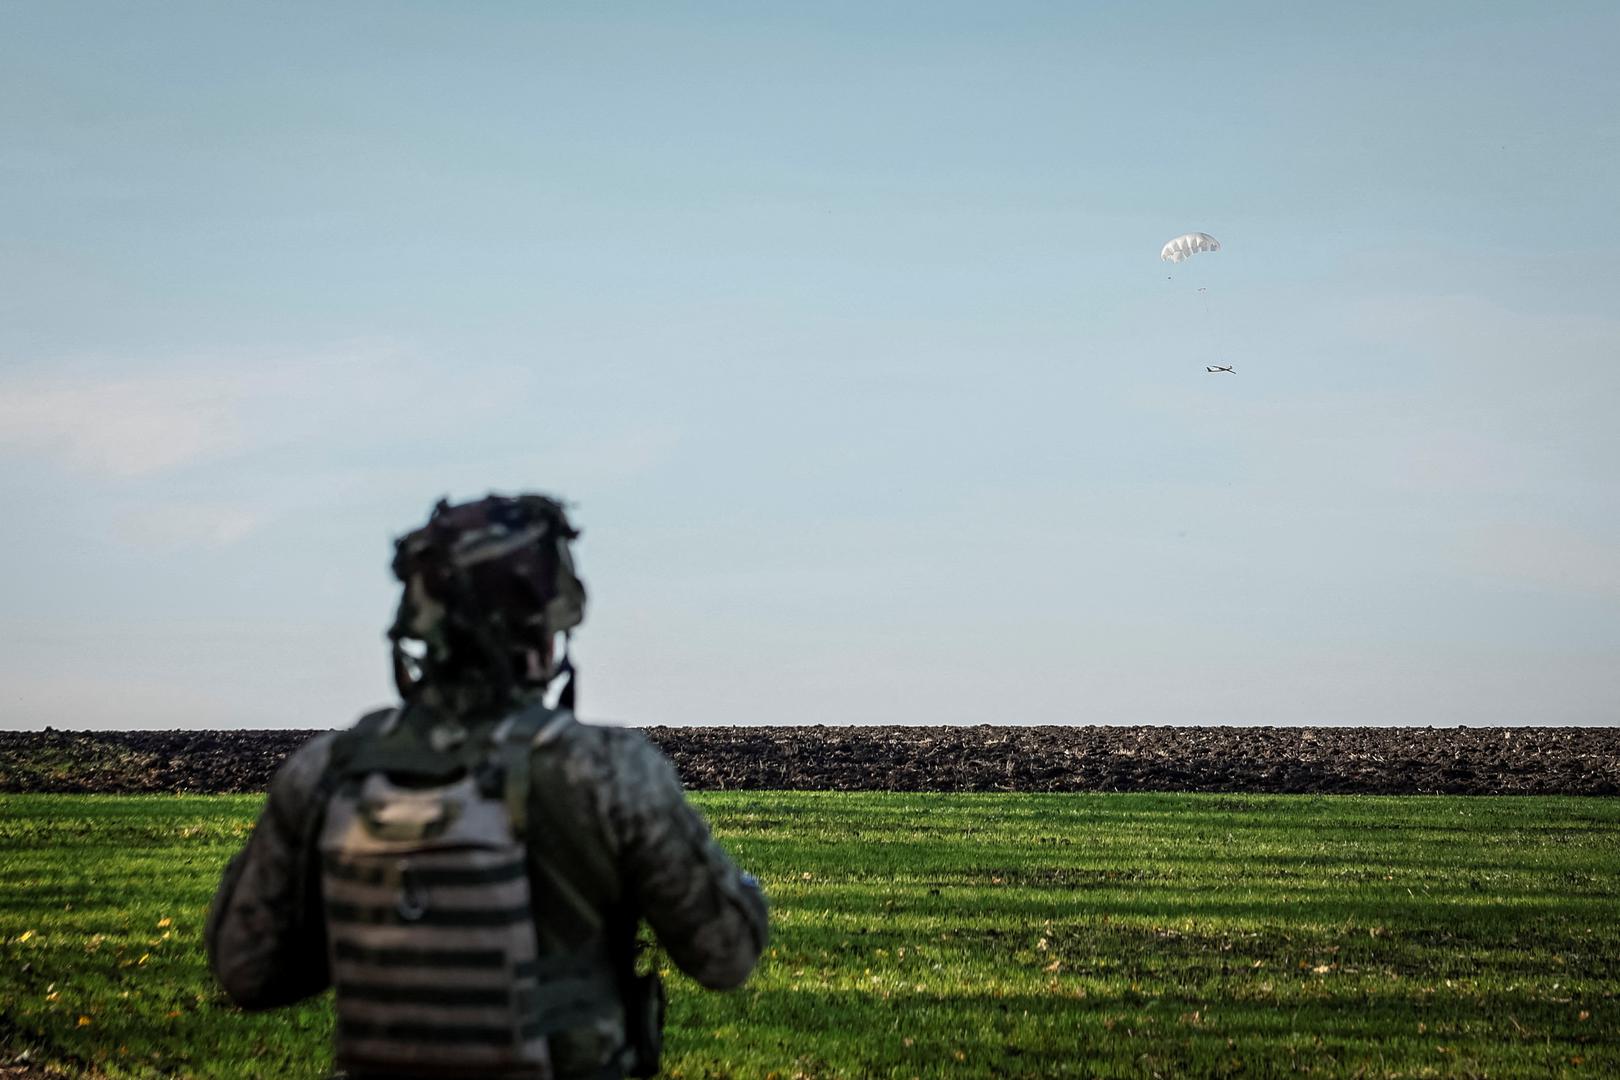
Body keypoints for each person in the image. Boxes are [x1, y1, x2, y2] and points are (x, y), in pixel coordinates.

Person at [206, 493, 768, 1079]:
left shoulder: (326, 770)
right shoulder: (605, 769)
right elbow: (725, 954)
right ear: (544, 631)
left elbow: (246, 969)